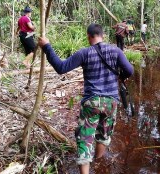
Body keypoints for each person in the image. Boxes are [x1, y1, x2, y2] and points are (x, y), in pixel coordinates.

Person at [38, 23, 134, 174]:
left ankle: (88, 168)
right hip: (111, 102)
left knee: (85, 139)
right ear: (103, 35)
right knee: (104, 135)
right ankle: (98, 162)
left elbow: (61, 67)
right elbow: (129, 70)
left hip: (92, 102)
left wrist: (47, 46)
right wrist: (120, 76)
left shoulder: (84, 53)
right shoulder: (116, 51)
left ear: (89, 36)